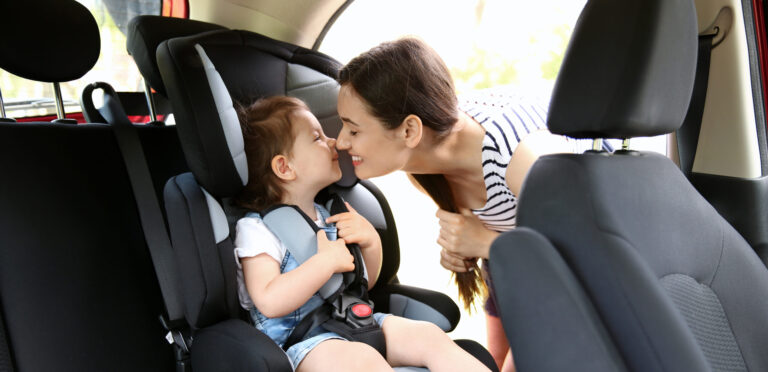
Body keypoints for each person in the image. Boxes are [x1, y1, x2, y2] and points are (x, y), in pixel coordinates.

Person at [335, 37, 581, 372]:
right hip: (522, 272)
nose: (340, 141)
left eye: (353, 130)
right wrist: (467, 247)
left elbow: (588, 256)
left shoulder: (519, 159)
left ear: (409, 130)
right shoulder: (423, 163)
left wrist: (486, 242)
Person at [233, 95, 491, 372]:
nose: (333, 141)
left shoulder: (333, 212)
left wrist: (370, 242)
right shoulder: (258, 229)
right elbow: (269, 301)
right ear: (285, 167)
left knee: (428, 336)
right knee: (363, 361)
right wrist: (324, 263)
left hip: (355, 323)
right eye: (317, 138)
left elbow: (363, 284)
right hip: (305, 346)